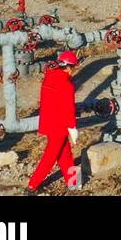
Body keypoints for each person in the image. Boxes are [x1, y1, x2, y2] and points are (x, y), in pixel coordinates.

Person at [26, 51, 81, 193]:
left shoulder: (49, 77)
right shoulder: (67, 85)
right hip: (60, 125)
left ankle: (74, 183)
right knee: (50, 156)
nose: (74, 71)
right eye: (74, 67)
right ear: (69, 68)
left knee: (65, 154)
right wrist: (72, 127)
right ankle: (32, 186)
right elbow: (68, 108)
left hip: (48, 121)